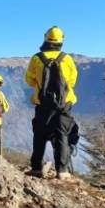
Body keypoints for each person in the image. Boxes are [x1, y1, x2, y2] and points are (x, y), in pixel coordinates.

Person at [24, 26, 78, 179]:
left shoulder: (36, 58)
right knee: (62, 135)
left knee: (40, 135)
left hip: (42, 102)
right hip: (64, 104)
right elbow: (72, 81)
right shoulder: (67, 59)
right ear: (61, 40)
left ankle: (36, 168)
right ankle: (62, 171)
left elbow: (28, 80)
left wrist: (40, 84)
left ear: (46, 38)